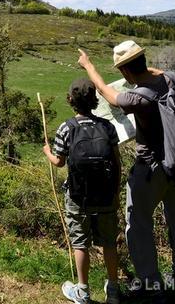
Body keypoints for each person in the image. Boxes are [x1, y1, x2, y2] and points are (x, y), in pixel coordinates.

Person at [77, 40, 175, 302]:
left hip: (151, 167)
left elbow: (105, 91)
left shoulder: (136, 97)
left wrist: (88, 65)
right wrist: (137, 68)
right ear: (144, 61)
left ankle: (151, 286)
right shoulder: (172, 78)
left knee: (138, 224)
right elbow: (153, 73)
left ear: (125, 73)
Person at [43, 78, 122, 304]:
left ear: (70, 100)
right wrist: (115, 192)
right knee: (108, 242)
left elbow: (58, 162)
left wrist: (47, 151)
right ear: (95, 101)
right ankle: (114, 290)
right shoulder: (107, 127)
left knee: (80, 242)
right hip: (107, 196)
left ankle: (83, 291)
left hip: (78, 198)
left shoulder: (66, 128)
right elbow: (117, 163)